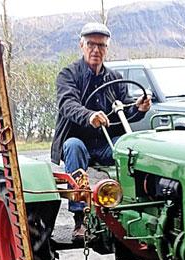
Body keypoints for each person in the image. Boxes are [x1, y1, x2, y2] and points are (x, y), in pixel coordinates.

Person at [50, 22, 152, 242]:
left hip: (105, 142)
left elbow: (123, 111)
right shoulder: (68, 74)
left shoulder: (114, 77)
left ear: (107, 48)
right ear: (81, 45)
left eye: (101, 45)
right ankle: (81, 220)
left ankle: (133, 210)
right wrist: (89, 116)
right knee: (73, 146)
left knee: (129, 146)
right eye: (91, 44)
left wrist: (138, 108)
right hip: (79, 141)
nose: (96, 50)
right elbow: (67, 104)